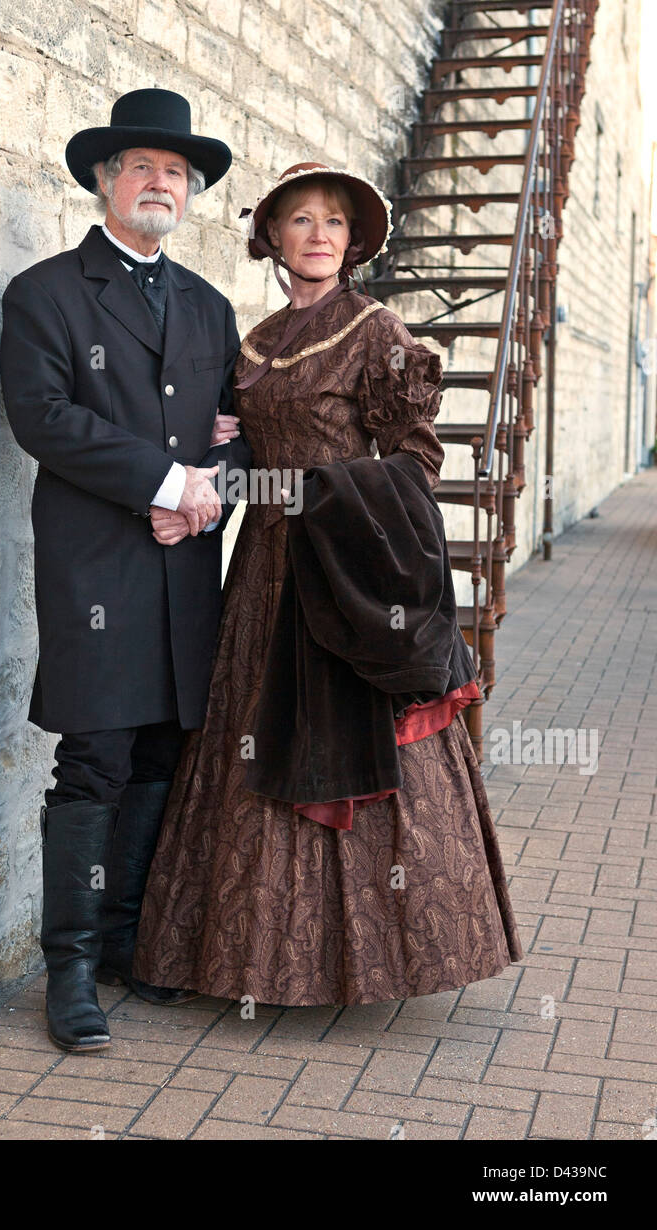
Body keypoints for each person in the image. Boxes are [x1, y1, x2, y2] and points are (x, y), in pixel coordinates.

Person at [134, 161, 523, 1006]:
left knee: (346, 740)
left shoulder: (378, 331)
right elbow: (239, 453)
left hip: (345, 575)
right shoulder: (255, 342)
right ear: (271, 236)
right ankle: (247, 962)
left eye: (334, 224)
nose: (317, 235)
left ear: (352, 243)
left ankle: (369, 962)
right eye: (301, 220)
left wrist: (332, 493)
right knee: (250, 734)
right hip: (263, 576)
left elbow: (417, 458)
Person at [0, 88, 251, 1050]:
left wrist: (210, 491)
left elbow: (238, 429)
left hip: (184, 561)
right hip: (98, 564)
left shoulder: (209, 305)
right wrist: (164, 478)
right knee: (95, 758)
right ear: (105, 180)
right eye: (142, 167)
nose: (161, 183)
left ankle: (121, 941)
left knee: (159, 752)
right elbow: (45, 420)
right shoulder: (48, 291)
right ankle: (67, 971)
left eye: (176, 173)